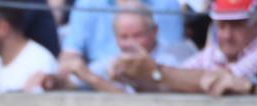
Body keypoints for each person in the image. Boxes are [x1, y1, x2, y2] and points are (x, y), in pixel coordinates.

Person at [111, 0, 257, 93]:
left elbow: (220, 82)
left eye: (236, 25)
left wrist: (154, 71)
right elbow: (176, 81)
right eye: (222, 25)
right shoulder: (214, 53)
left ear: (255, 25)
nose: (227, 35)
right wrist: (132, 77)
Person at [41, 2, 193, 91]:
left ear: (154, 32)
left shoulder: (171, 62)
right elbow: (73, 79)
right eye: (124, 37)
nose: (130, 44)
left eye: (137, 35)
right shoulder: (111, 62)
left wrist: (93, 79)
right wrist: (53, 80)